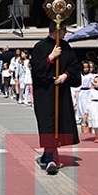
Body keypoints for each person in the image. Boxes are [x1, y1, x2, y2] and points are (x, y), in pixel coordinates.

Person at [31, 24, 81, 174]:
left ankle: (50, 155)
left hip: (61, 93)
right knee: (48, 124)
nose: (65, 33)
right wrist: (50, 58)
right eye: (63, 31)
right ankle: (52, 156)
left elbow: (74, 67)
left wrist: (66, 75)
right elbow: (36, 71)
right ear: (55, 31)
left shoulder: (66, 47)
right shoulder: (40, 47)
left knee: (59, 124)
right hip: (45, 94)